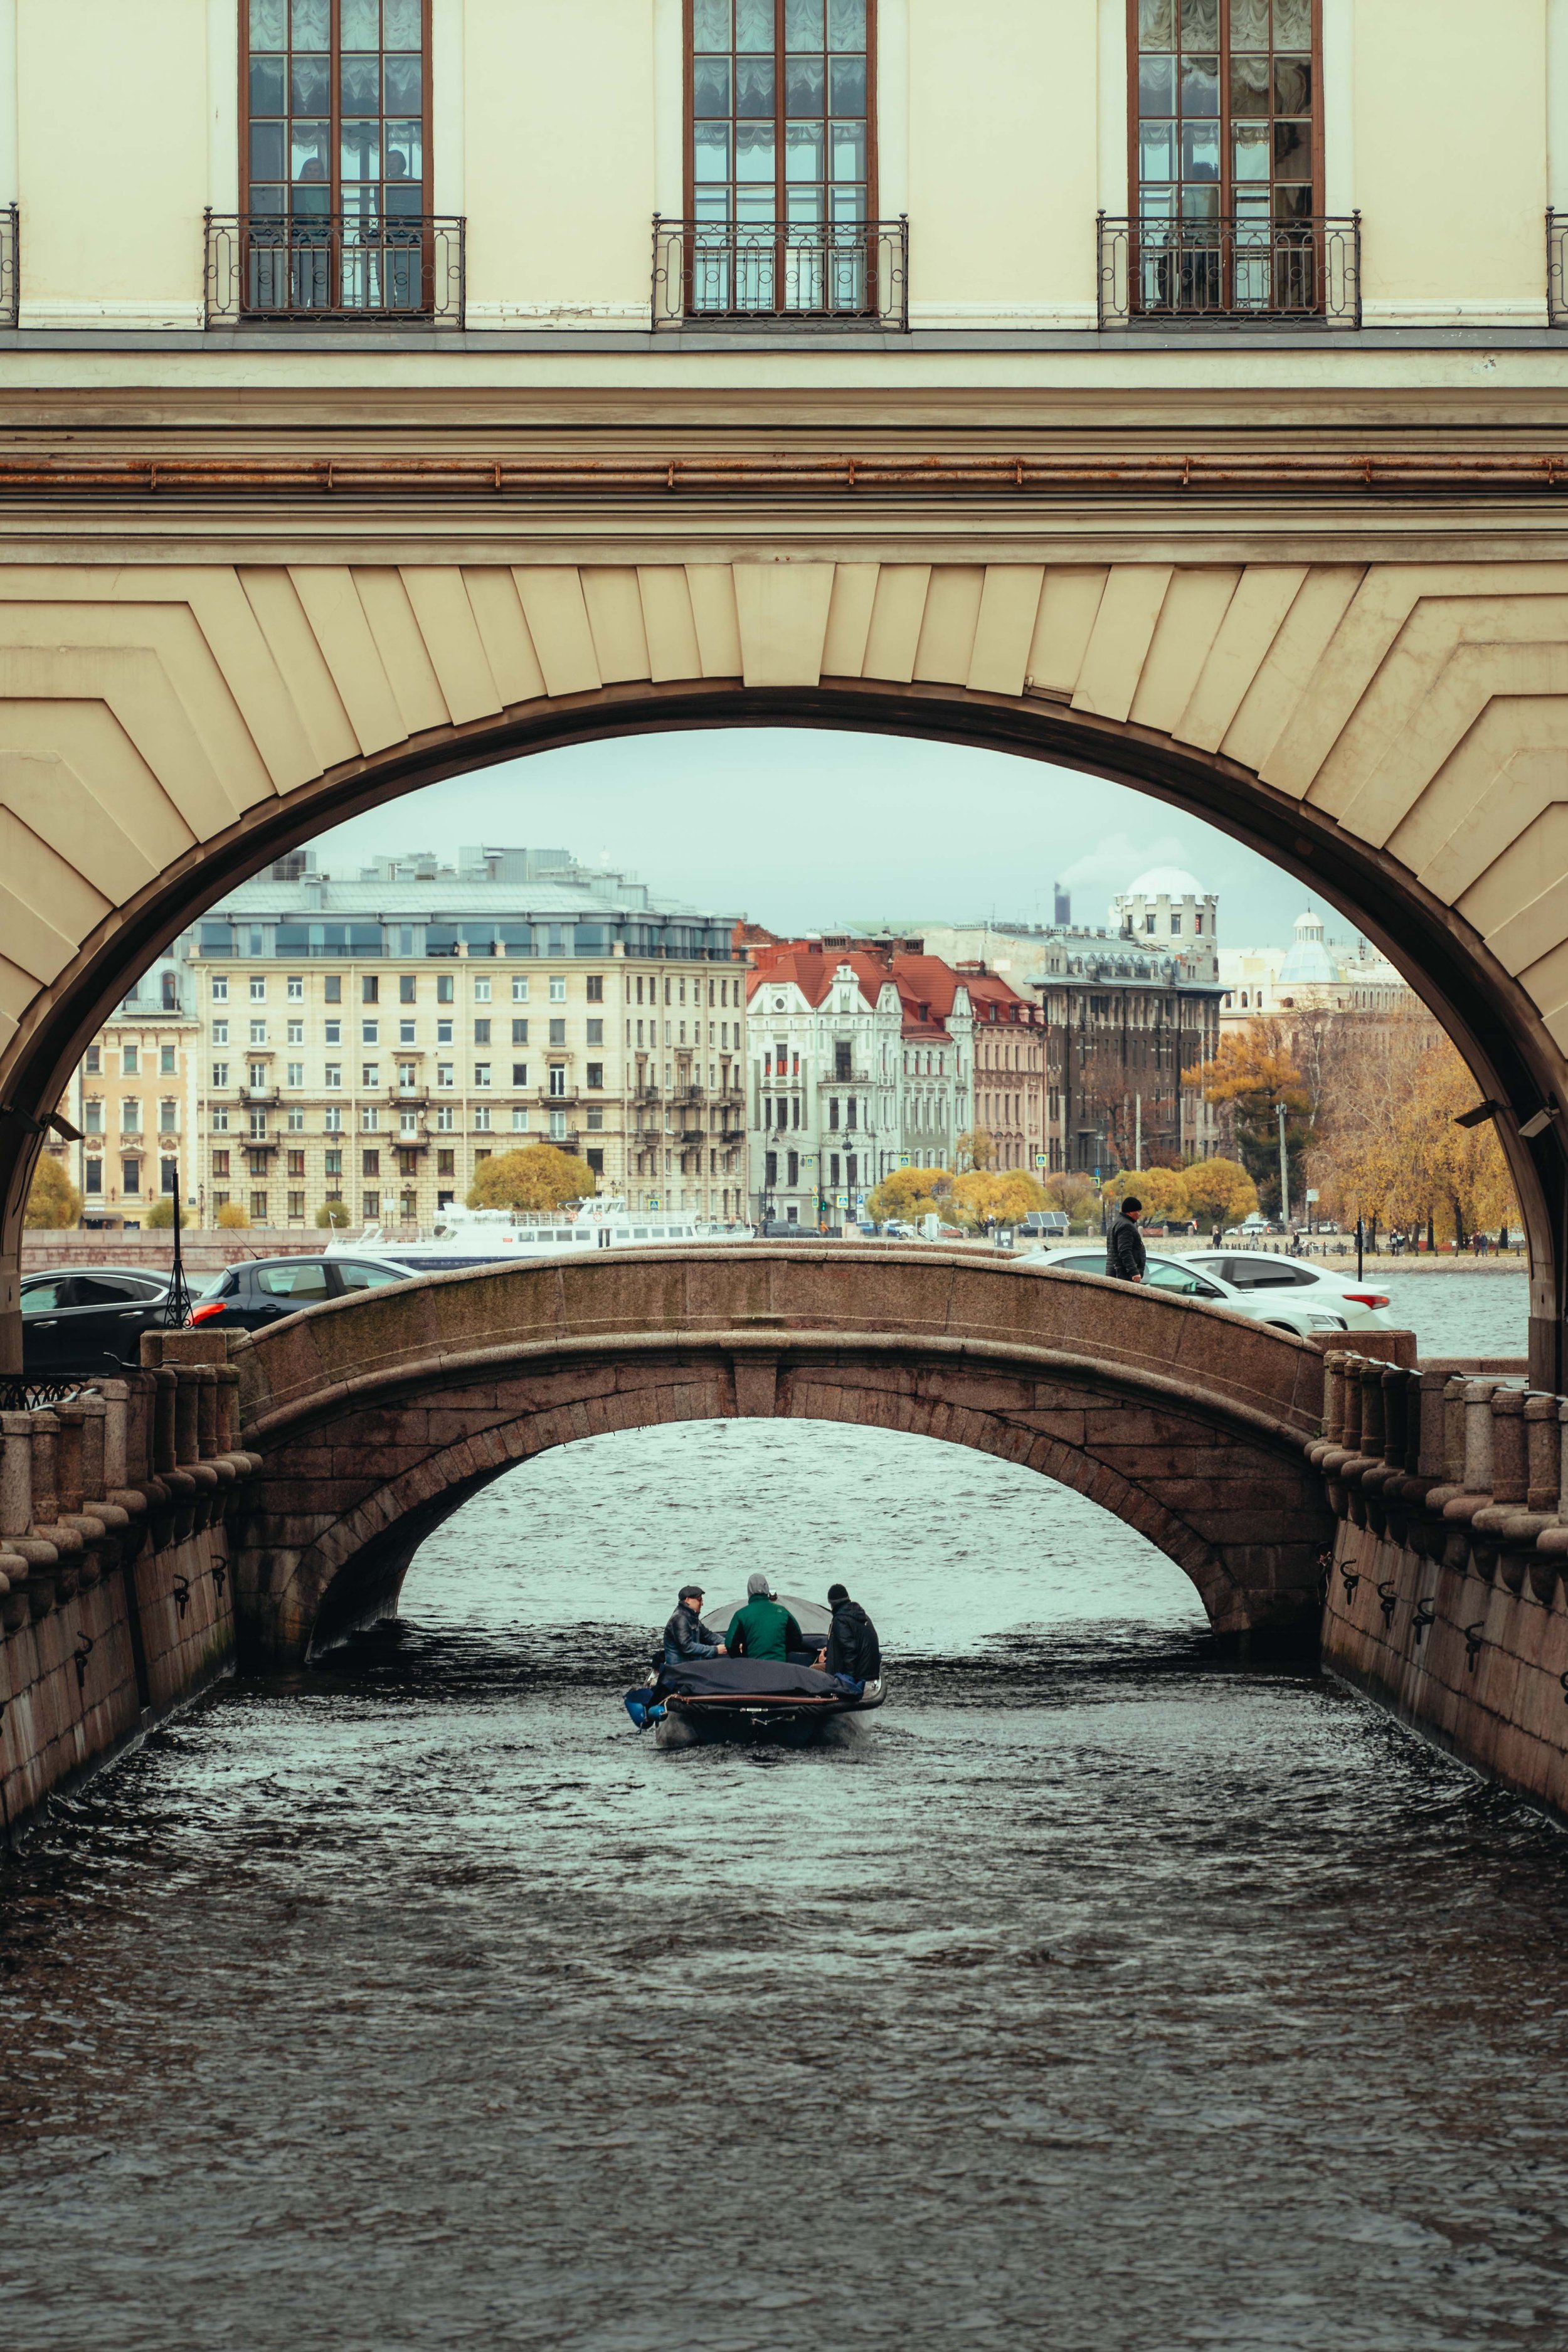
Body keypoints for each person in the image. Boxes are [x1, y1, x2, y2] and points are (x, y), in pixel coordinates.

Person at [725, 1571, 803, 1663]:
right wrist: (782, 1650)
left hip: (753, 1668)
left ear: (749, 1592)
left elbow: (730, 1645)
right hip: (780, 1667)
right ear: (767, 1590)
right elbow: (798, 1639)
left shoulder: (741, 1615)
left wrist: (743, 1660)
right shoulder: (783, 1612)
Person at [817, 1583, 881, 1684]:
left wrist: (847, 1681)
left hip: (857, 1675)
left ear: (831, 1603)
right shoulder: (861, 1615)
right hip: (870, 1672)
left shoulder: (840, 1619)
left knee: (813, 1670)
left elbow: (850, 1651)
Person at [663, 1583, 725, 1668]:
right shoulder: (680, 1619)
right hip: (679, 1670)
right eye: (699, 1600)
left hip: (691, 1667)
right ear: (688, 1600)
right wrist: (716, 1650)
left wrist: (729, 1643)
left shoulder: (692, 1617)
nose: (702, 1604)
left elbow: (708, 1635)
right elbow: (687, 1647)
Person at [1106, 1195, 1146, 1283]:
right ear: (1130, 1212)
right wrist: (1134, 1272)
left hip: (1115, 1273)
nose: (1139, 1214)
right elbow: (1125, 1251)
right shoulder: (1126, 1226)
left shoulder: (1116, 1223)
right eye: (1138, 1211)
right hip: (1123, 1276)